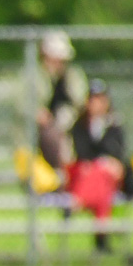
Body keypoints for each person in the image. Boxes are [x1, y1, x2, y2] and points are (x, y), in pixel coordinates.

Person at [67, 79, 130, 250]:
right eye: (93, 99)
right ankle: (102, 234)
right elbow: (81, 152)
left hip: (107, 175)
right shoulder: (80, 125)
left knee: (103, 173)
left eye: (100, 99)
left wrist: (106, 161)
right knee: (100, 182)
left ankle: (78, 202)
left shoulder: (113, 125)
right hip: (90, 174)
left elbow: (117, 152)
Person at [30, 30, 87, 170]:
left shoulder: (73, 76)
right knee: (53, 135)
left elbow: (81, 102)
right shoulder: (35, 77)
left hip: (71, 126)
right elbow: (27, 106)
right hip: (44, 132)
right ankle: (59, 173)